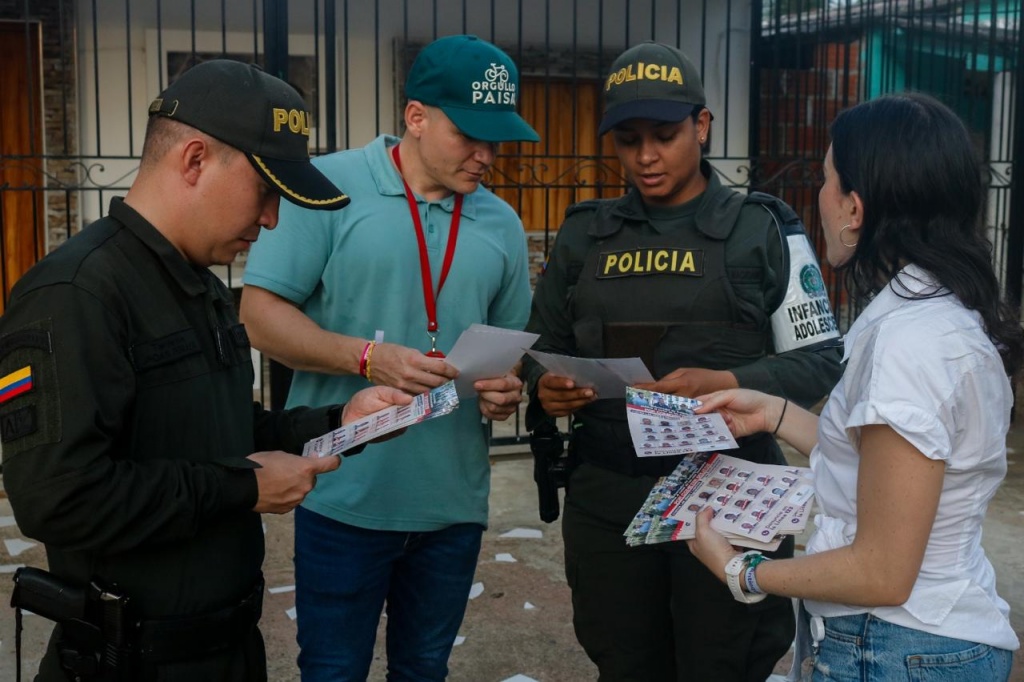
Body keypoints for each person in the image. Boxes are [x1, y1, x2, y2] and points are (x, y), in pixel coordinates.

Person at [0, 59, 412, 681]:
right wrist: (242, 488)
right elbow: (57, 498)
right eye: (266, 190)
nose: (272, 219)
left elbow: (212, 430)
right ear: (194, 160)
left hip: (226, 650)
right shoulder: (75, 293)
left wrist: (336, 421)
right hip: (131, 662)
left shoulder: (199, 284)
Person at [522, 42, 845, 681]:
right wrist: (547, 387)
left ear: (702, 126)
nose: (646, 156)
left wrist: (730, 382)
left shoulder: (763, 227)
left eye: (665, 136)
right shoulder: (586, 233)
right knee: (625, 660)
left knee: (721, 661)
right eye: (629, 140)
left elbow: (821, 358)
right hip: (609, 492)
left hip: (730, 490)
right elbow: (539, 349)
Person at [687, 93, 1022, 680]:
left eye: (826, 179)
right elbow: (885, 472)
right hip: (924, 640)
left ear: (856, 210)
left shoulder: (910, 347)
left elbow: (880, 572)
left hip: (895, 646)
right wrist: (772, 411)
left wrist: (742, 571)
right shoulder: (939, 316)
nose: (819, 197)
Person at [238, 34, 538, 681]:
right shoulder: (331, 188)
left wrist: (504, 390)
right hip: (343, 493)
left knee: (424, 670)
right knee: (332, 670)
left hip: (452, 503)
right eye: (470, 135)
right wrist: (366, 357)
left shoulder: (503, 225)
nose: (487, 156)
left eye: (498, 140)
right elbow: (259, 316)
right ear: (416, 116)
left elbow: (508, 355)